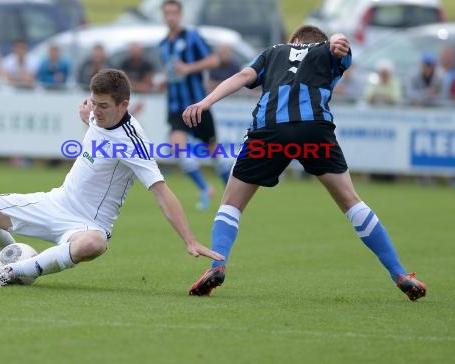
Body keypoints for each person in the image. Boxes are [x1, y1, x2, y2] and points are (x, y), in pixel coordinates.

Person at [182, 25, 427, 302]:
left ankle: (217, 266)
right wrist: (337, 41)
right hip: (314, 131)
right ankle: (399, 273)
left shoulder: (274, 52)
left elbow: (242, 76)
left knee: (231, 204)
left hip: (269, 132)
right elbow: (340, 47)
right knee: (351, 201)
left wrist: (205, 102)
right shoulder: (326, 51)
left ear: (295, 41)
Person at [0, 69, 223, 288]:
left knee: (95, 244)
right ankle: (9, 254)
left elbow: (162, 193)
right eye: (94, 103)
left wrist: (189, 240)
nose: (96, 111)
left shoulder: (133, 142)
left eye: (104, 106)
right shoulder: (97, 115)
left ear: (123, 105)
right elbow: (91, 116)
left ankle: (15, 271)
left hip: (87, 225)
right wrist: (87, 115)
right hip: (55, 202)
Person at [160, 0, 230, 210]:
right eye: (167, 13)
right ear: (163, 16)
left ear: (180, 15)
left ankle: (232, 195)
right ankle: (204, 188)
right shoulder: (163, 45)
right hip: (175, 107)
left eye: (174, 13)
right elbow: (172, 72)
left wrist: (188, 68)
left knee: (213, 151)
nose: (170, 17)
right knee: (177, 147)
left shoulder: (192, 37)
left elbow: (214, 60)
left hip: (198, 105)